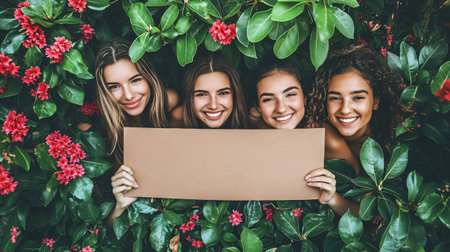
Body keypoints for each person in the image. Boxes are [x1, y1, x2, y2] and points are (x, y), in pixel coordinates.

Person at [252, 58, 361, 216]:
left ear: (305, 98)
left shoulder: (325, 138)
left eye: (290, 94)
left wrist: (332, 198)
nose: (281, 108)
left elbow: (362, 212)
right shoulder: (256, 123)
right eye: (268, 99)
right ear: (258, 107)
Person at [93, 39, 178, 227]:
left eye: (135, 80)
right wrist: (120, 206)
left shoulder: (170, 104)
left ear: (149, 77)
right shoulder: (96, 135)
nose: (129, 95)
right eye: (114, 87)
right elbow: (102, 231)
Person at [308, 45, 403, 160]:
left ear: (375, 101)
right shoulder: (313, 134)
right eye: (335, 98)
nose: (345, 109)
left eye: (357, 98)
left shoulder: (392, 150)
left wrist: (335, 146)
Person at [173, 53, 249, 129]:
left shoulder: (253, 122)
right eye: (202, 94)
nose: (213, 106)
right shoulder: (174, 123)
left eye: (223, 93)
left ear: (235, 95)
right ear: (189, 97)